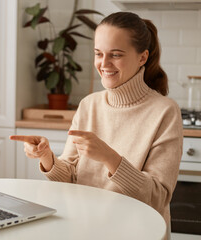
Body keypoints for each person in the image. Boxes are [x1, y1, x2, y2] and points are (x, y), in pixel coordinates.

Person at [10, 12, 183, 239]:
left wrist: (109, 157)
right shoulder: (89, 105)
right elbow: (72, 178)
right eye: (98, 54)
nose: (104, 64)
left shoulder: (165, 112)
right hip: (86, 228)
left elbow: (158, 198)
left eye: (116, 55)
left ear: (142, 58)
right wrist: (47, 157)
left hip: (138, 232)